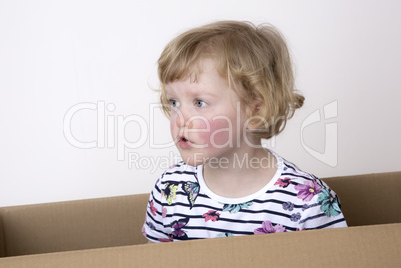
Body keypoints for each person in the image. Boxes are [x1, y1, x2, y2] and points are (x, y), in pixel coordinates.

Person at [142, 20, 347, 242]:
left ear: (254, 111)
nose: (180, 119)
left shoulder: (308, 202)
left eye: (199, 103)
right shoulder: (169, 189)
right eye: (174, 103)